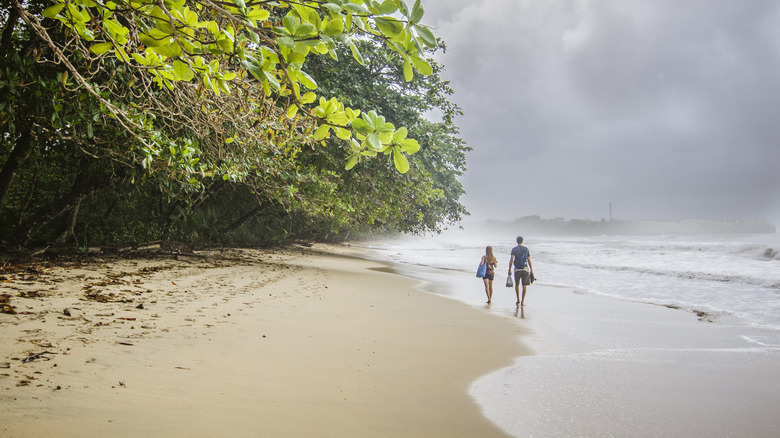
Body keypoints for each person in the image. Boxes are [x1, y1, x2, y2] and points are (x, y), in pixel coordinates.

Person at [508, 236, 534, 307]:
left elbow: (511, 260)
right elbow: (529, 260)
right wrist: (531, 270)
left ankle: (518, 299)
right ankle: (522, 301)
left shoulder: (514, 249)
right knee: (524, 285)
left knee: (517, 284)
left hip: (517, 269)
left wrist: (509, 269)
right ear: (522, 241)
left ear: (517, 241)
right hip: (525, 269)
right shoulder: (526, 249)